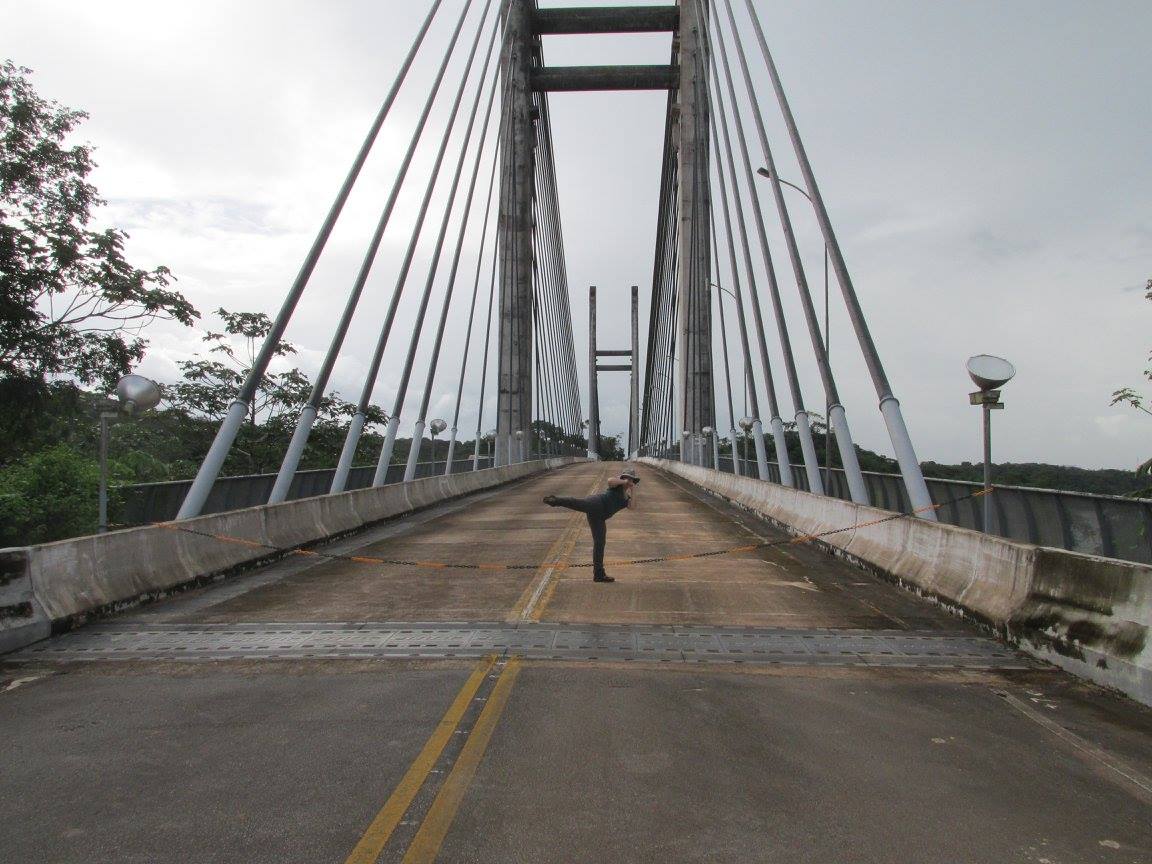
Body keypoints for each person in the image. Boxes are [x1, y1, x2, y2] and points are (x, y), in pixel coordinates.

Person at [543, 469, 640, 583]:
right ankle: (555, 500)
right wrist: (624, 482)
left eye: (631, 479)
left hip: (599, 517)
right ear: (622, 478)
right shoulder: (616, 486)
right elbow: (610, 481)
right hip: (596, 503)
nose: (628, 481)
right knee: (576, 503)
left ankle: (598, 574)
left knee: (600, 543)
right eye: (625, 478)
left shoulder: (626, 498)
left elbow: (632, 507)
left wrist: (633, 489)